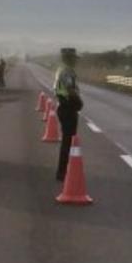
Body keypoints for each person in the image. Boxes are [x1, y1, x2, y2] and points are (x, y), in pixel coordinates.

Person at [54, 47, 83, 181]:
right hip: (67, 107)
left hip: (65, 106)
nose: (76, 61)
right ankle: (63, 172)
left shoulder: (64, 69)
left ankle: (64, 171)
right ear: (68, 58)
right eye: (74, 58)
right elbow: (70, 89)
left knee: (68, 140)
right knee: (68, 141)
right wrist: (78, 101)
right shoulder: (66, 71)